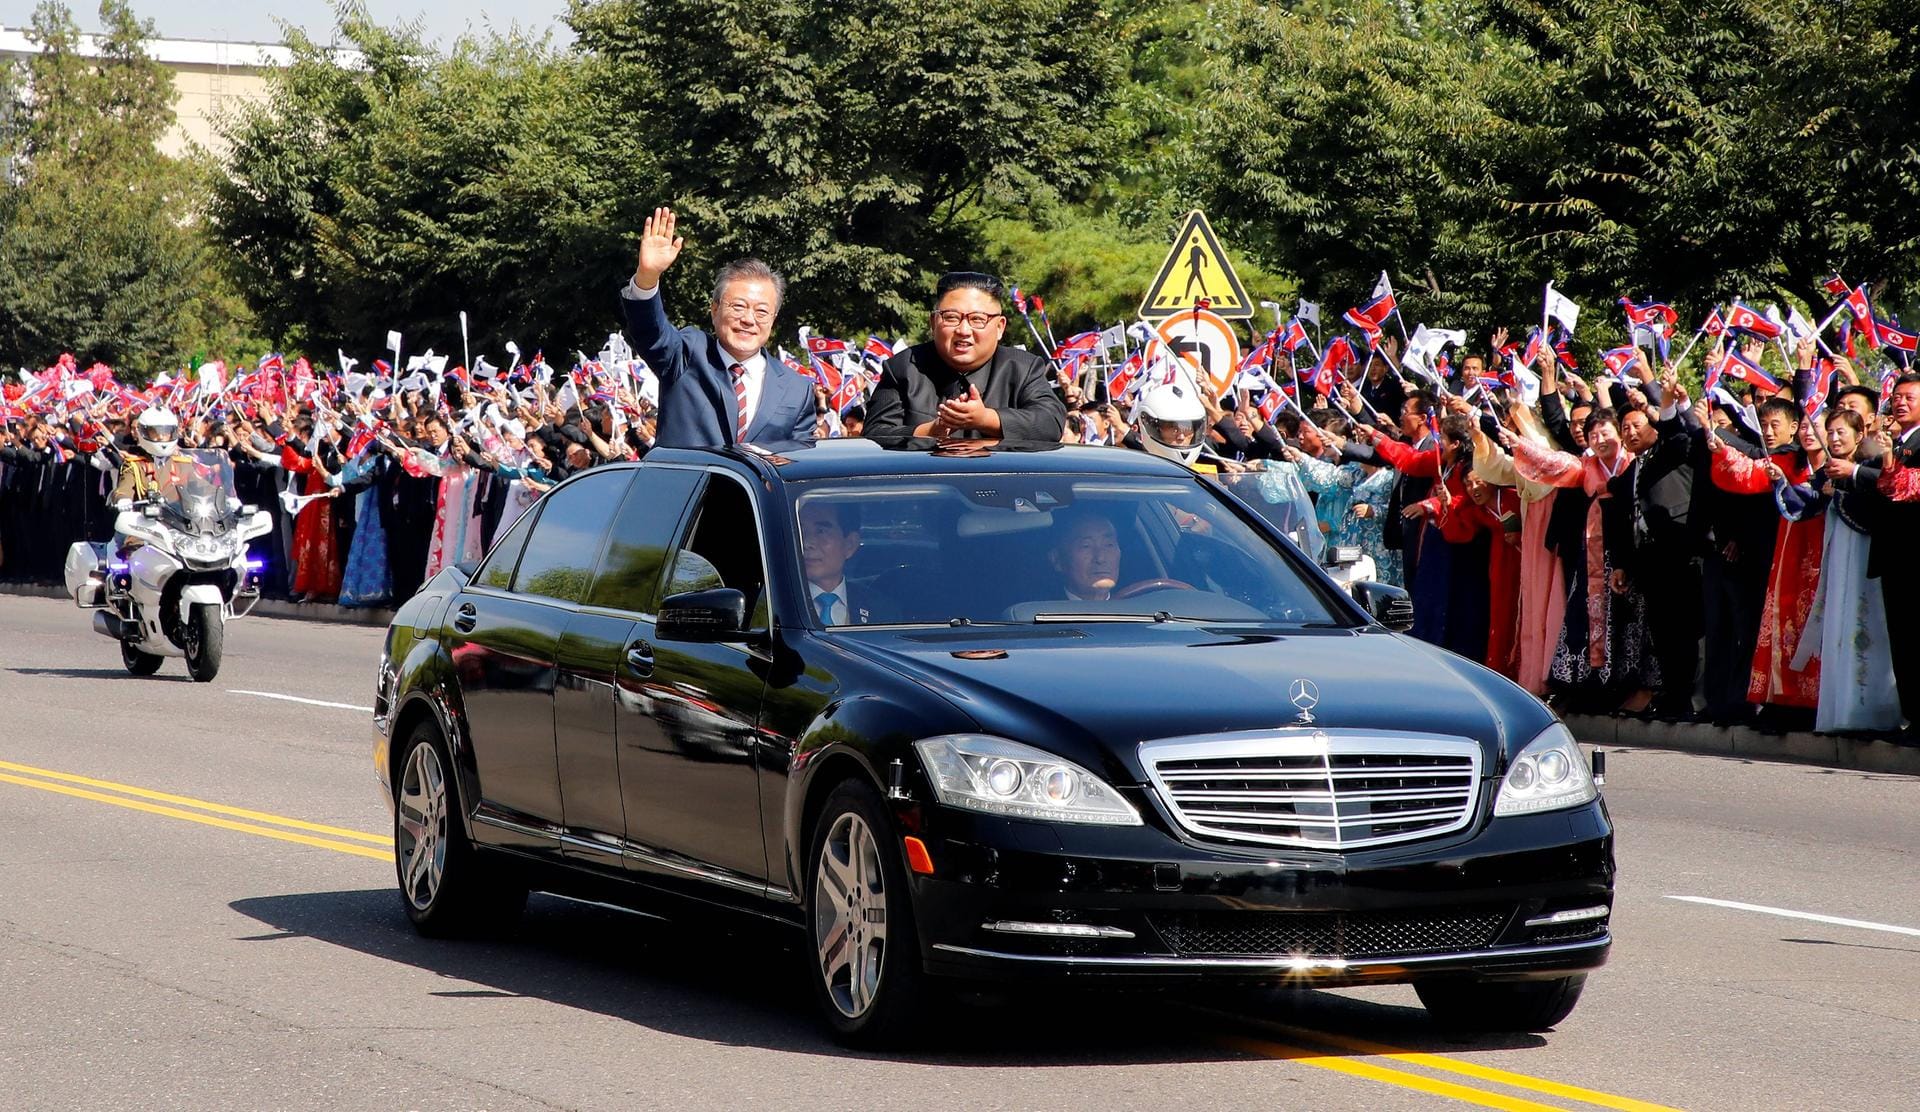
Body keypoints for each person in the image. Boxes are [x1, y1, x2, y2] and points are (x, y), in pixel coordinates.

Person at [619, 206, 817, 448]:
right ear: (715, 309)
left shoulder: (796, 388)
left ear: (773, 319)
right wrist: (647, 277)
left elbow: (799, 461)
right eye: (738, 306)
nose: (748, 319)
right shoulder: (687, 355)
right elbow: (651, 332)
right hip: (685, 486)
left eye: (761, 311)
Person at [863, 272, 1067, 442]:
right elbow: (875, 435)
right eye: (951, 318)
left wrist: (985, 418)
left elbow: (1050, 424)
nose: (963, 330)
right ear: (933, 323)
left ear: (999, 327)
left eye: (977, 319)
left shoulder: (1023, 368)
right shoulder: (904, 367)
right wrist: (931, 431)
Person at [797, 500, 894, 625]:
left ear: (849, 545)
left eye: (821, 531)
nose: (807, 543)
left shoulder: (881, 608)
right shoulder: (772, 604)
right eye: (799, 530)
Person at [1048, 511, 1123, 601]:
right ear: (1057, 559)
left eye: (1109, 544)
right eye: (1086, 546)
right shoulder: (1038, 610)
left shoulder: (1136, 607)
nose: (1100, 558)